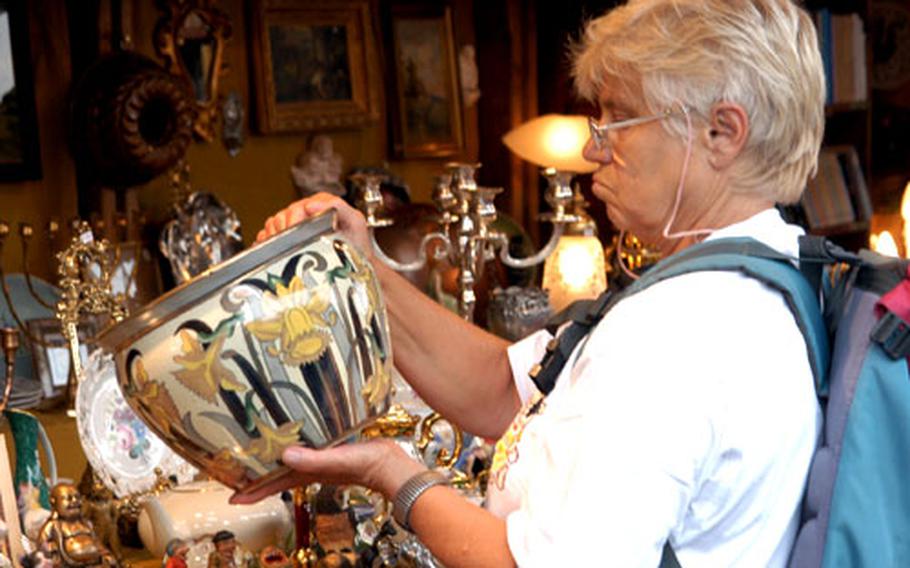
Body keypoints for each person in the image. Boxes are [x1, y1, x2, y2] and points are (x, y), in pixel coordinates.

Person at [235, 0, 825, 565]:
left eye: (620, 118)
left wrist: (390, 473)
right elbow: (505, 391)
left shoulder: (673, 333)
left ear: (723, 132)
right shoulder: (768, 276)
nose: (595, 146)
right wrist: (367, 271)